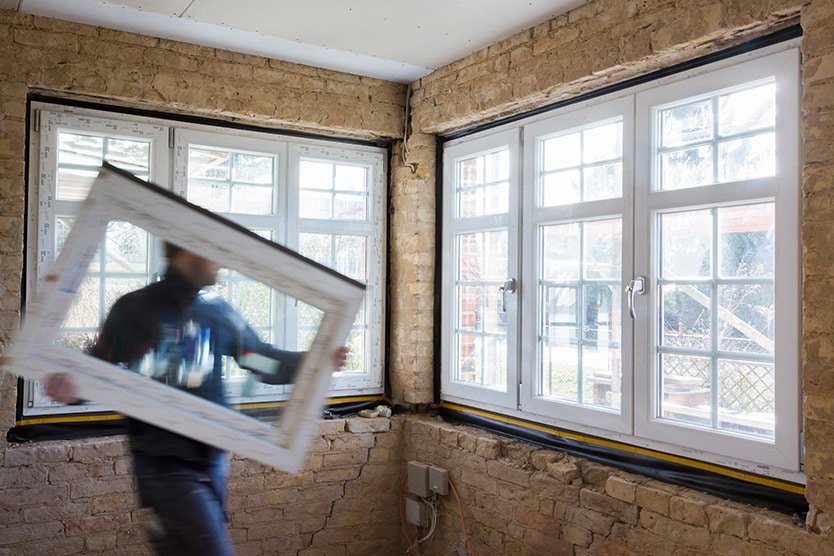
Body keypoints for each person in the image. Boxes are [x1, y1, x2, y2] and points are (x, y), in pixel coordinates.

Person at [45, 243, 348, 556]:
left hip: (213, 462)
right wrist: (70, 388)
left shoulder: (217, 311)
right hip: (165, 467)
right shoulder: (134, 309)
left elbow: (259, 362)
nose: (222, 262)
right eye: (214, 250)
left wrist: (318, 361)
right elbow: (99, 366)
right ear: (189, 249)